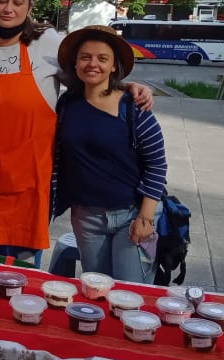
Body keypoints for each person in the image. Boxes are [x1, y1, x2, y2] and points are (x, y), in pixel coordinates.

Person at [0, 0, 153, 266]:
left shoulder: (48, 44)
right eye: (2, 0)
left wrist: (125, 87)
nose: (9, 8)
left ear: (29, 8)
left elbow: (89, 76)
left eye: (18, 2)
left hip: (32, 177)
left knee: (23, 269)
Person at [53, 25, 167, 284]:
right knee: (96, 292)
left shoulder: (134, 107)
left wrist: (146, 217)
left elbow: (157, 165)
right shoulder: (66, 105)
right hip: (87, 217)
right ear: (75, 63)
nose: (93, 64)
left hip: (132, 214)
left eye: (102, 58)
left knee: (130, 296)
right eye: (85, 57)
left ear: (114, 66)